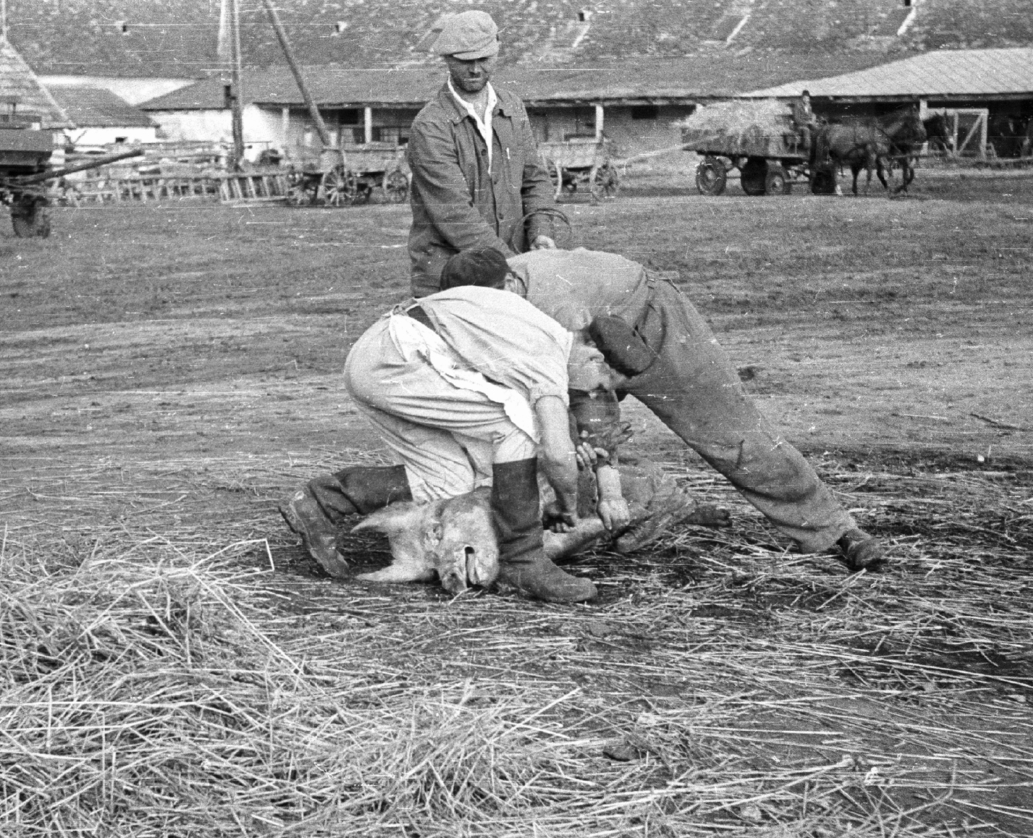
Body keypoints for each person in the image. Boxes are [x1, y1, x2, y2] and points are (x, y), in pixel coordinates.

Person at [441, 246, 888, 571]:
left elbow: (591, 405)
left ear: (510, 286)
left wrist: (608, 489)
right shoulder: (490, 299)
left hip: (653, 325)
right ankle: (659, 505)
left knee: (732, 433)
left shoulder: (557, 310)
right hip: (597, 343)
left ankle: (835, 529)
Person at [280, 279, 597, 604]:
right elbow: (557, 453)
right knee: (515, 426)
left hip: (381, 356)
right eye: (601, 382)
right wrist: (568, 506)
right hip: (397, 359)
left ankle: (322, 500)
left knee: (450, 481)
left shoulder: (539, 328)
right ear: (594, 356)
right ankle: (523, 561)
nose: (594, 391)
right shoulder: (551, 354)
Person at [405, 10, 558, 297]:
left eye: (484, 59)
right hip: (453, 275)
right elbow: (455, 212)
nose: (475, 69)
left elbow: (535, 178)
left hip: (511, 270)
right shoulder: (431, 126)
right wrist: (517, 264)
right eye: (465, 61)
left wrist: (541, 231)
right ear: (448, 59)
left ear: (497, 52)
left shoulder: (512, 107)